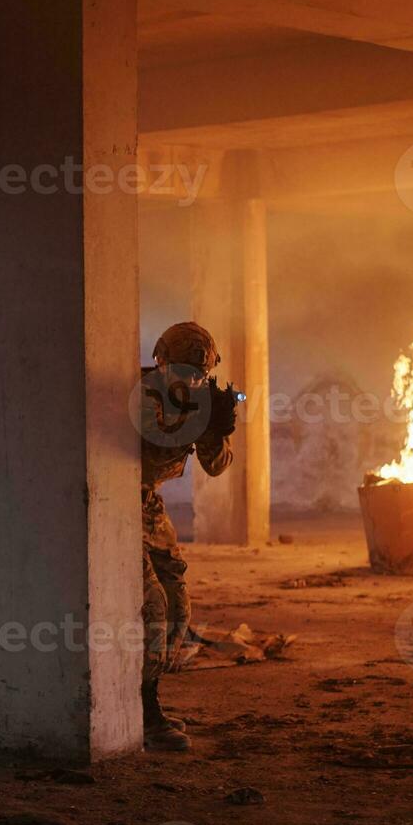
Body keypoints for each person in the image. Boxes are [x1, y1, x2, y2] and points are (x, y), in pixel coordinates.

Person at [139, 322, 236, 752]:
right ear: (160, 361)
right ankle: (143, 710)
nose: (192, 381)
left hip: (146, 507)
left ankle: (148, 692)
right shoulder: (142, 393)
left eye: (200, 374)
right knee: (153, 606)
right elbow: (151, 440)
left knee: (178, 604)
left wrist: (218, 428)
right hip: (110, 506)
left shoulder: (198, 397)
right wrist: (196, 421)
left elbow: (217, 467)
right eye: (183, 371)